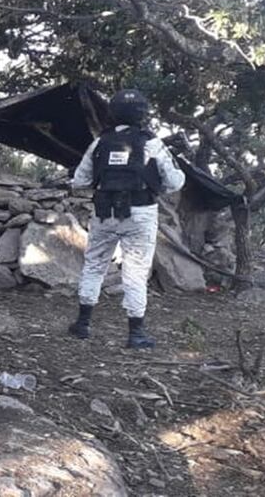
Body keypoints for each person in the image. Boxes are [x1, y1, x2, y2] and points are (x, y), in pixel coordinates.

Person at [68, 89, 184, 348]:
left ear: (113, 112)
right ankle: (136, 333)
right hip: (140, 213)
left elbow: (80, 180)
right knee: (135, 271)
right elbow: (175, 182)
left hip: (104, 212)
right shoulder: (151, 143)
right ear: (143, 113)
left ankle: (83, 324)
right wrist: (155, 186)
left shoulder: (100, 142)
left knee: (95, 264)